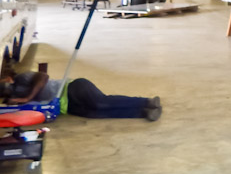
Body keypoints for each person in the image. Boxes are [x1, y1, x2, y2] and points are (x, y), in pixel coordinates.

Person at [0, 70, 161, 121]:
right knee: (95, 114)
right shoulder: (12, 100)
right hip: (67, 107)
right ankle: (143, 112)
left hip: (72, 88)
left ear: (8, 79)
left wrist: (28, 98)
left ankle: (147, 101)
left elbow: (43, 76)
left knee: (100, 103)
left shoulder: (21, 78)